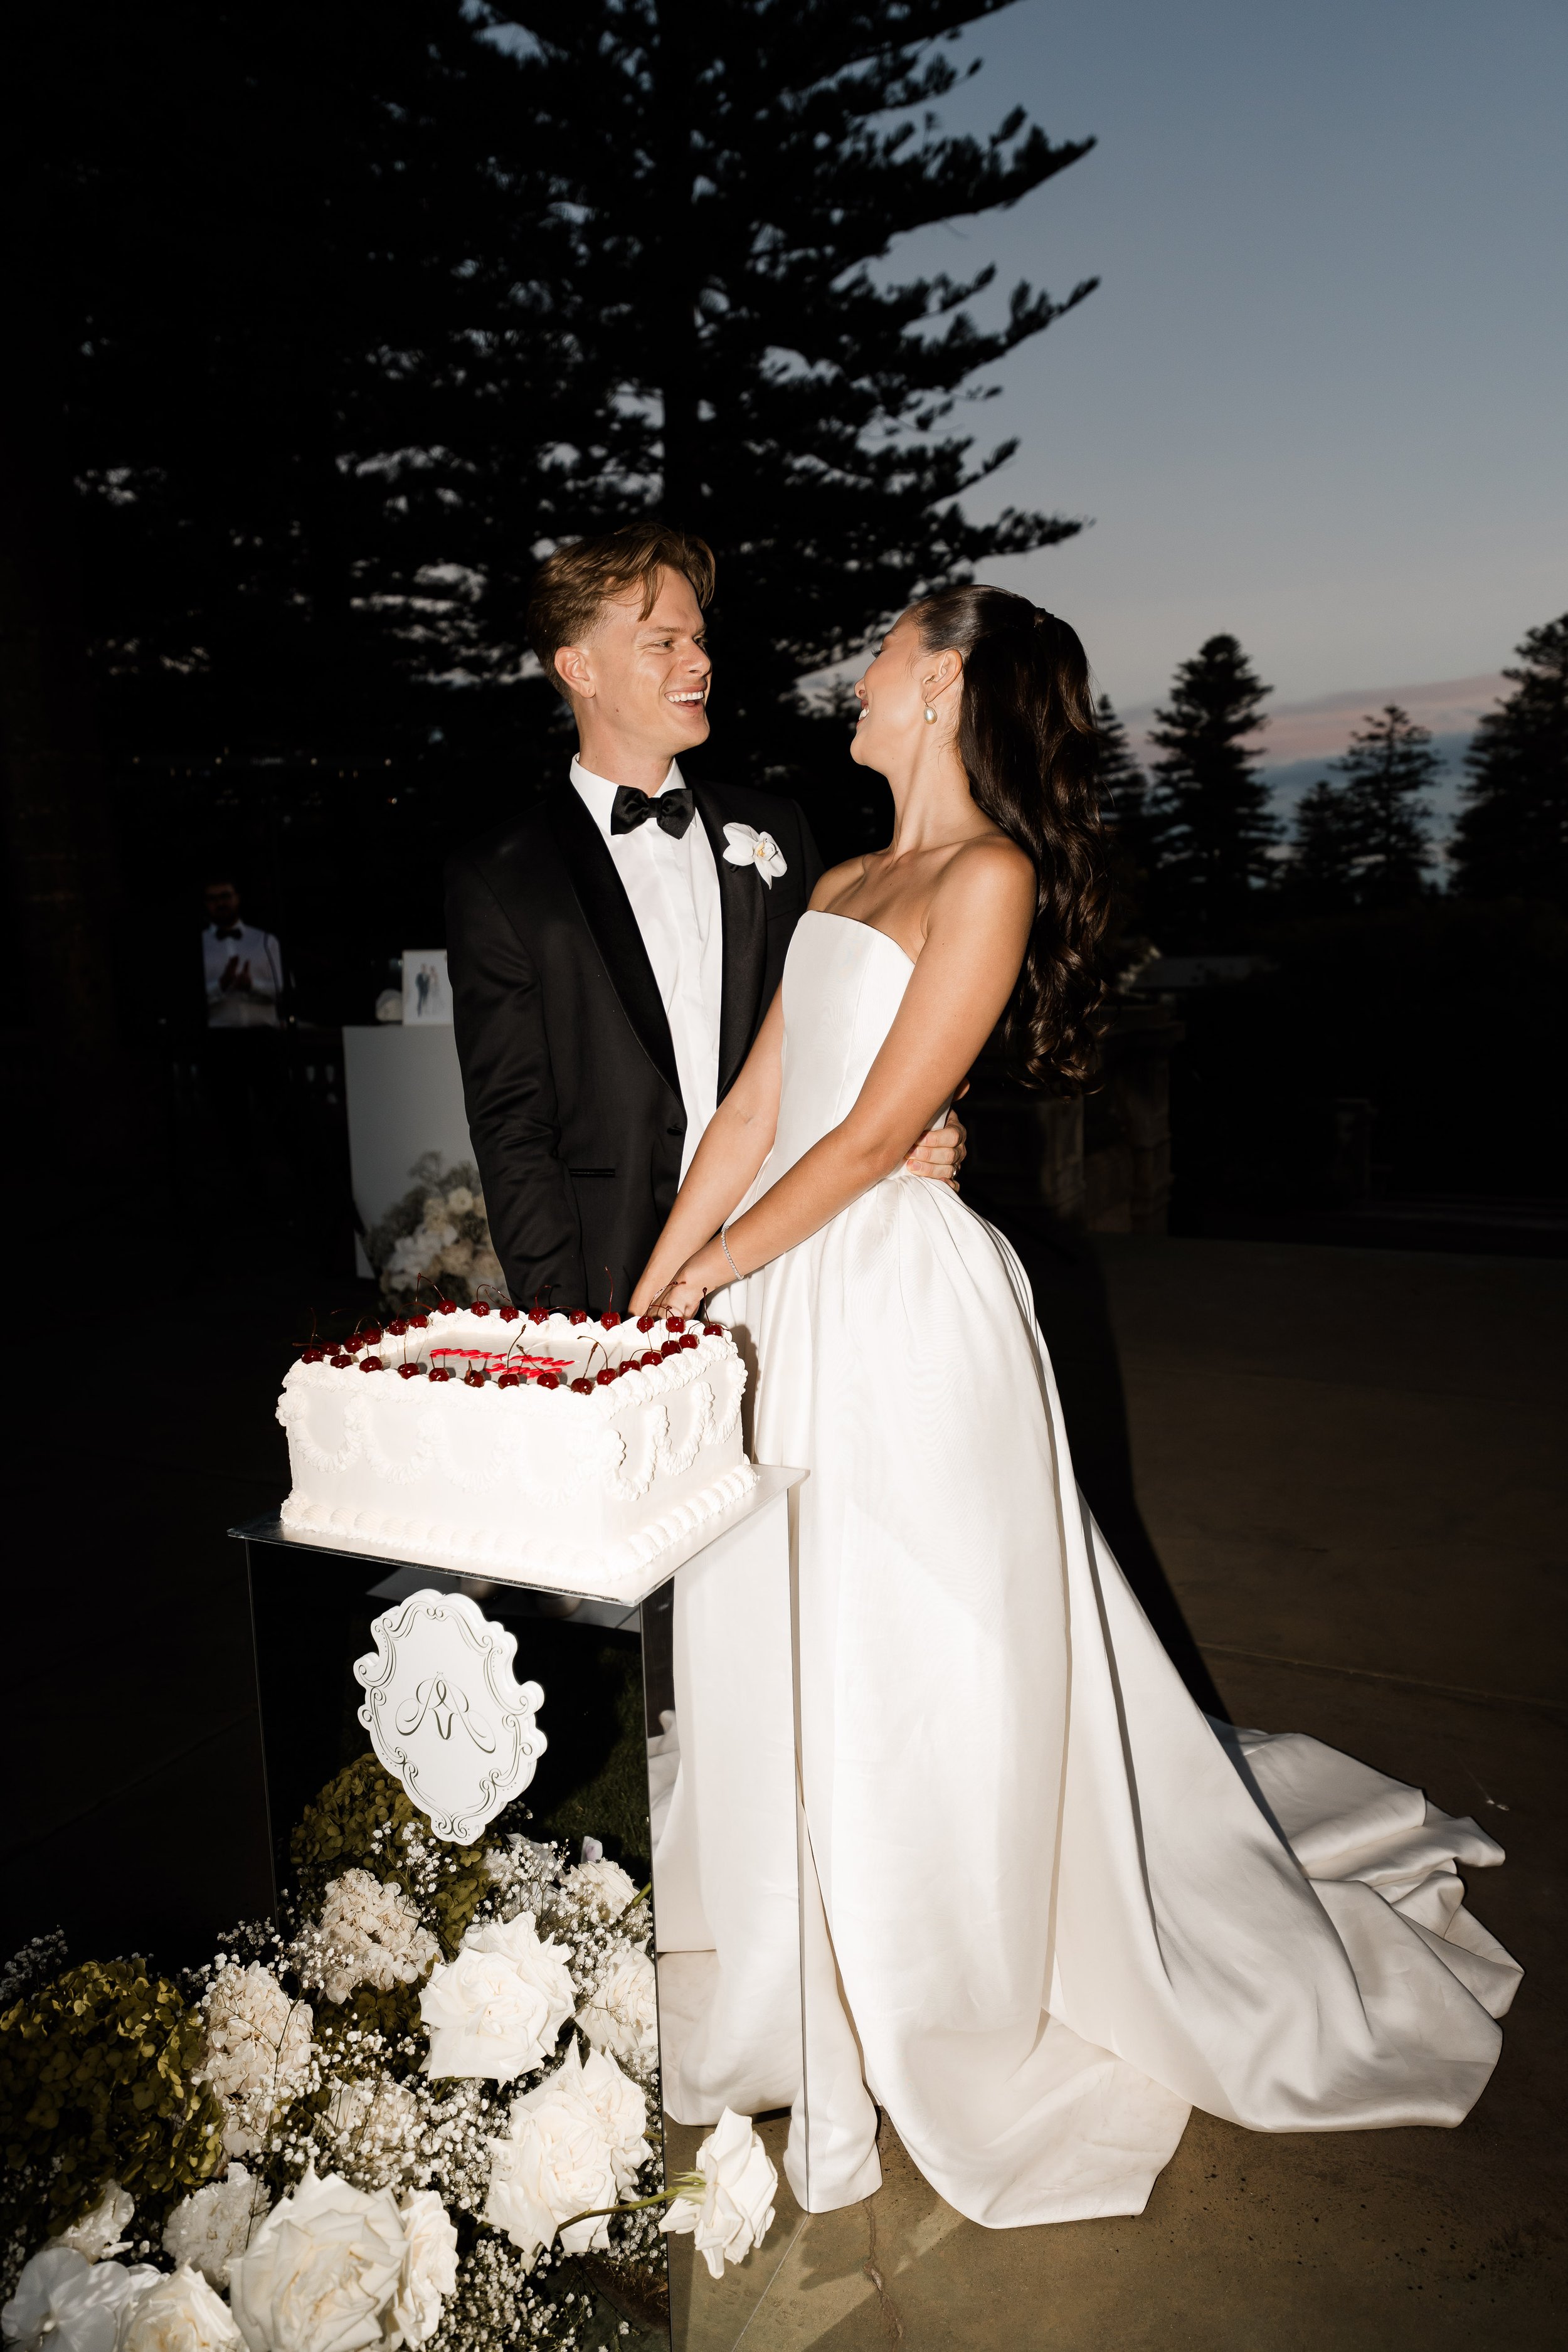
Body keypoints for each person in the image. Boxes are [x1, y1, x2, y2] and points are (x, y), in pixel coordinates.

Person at [630, 586, 1519, 2227]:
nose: (865, 661)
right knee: (775, 1623)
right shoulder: (836, 875)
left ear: (945, 675)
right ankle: (792, 1940)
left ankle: (940, 1959)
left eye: (893, 640)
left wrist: (714, 1275)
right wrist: (653, 1286)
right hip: (777, 1286)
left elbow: (868, 1133)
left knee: (922, 1636)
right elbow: (753, 1107)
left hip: (893, 1306)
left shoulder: (989, 875)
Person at [444, 521, 965, 1315]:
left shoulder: (777, 831)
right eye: (663, 643)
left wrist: (929, 1121)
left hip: (792, 1247)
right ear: (579, 668)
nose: (699, 662)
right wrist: (563, 1320)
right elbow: (513, 1127)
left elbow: (843, 1020)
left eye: (699, 638)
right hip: (615, 1269)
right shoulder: (501, 877)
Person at [201, 877, 283, 1029]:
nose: (220, 903)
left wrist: (252, 986)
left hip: (265, 1034)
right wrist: (220, 985)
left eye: (225, 896)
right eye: (212, 899)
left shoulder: (265, 940)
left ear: (238, 897)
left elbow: (282, 992)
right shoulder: (201, 945)